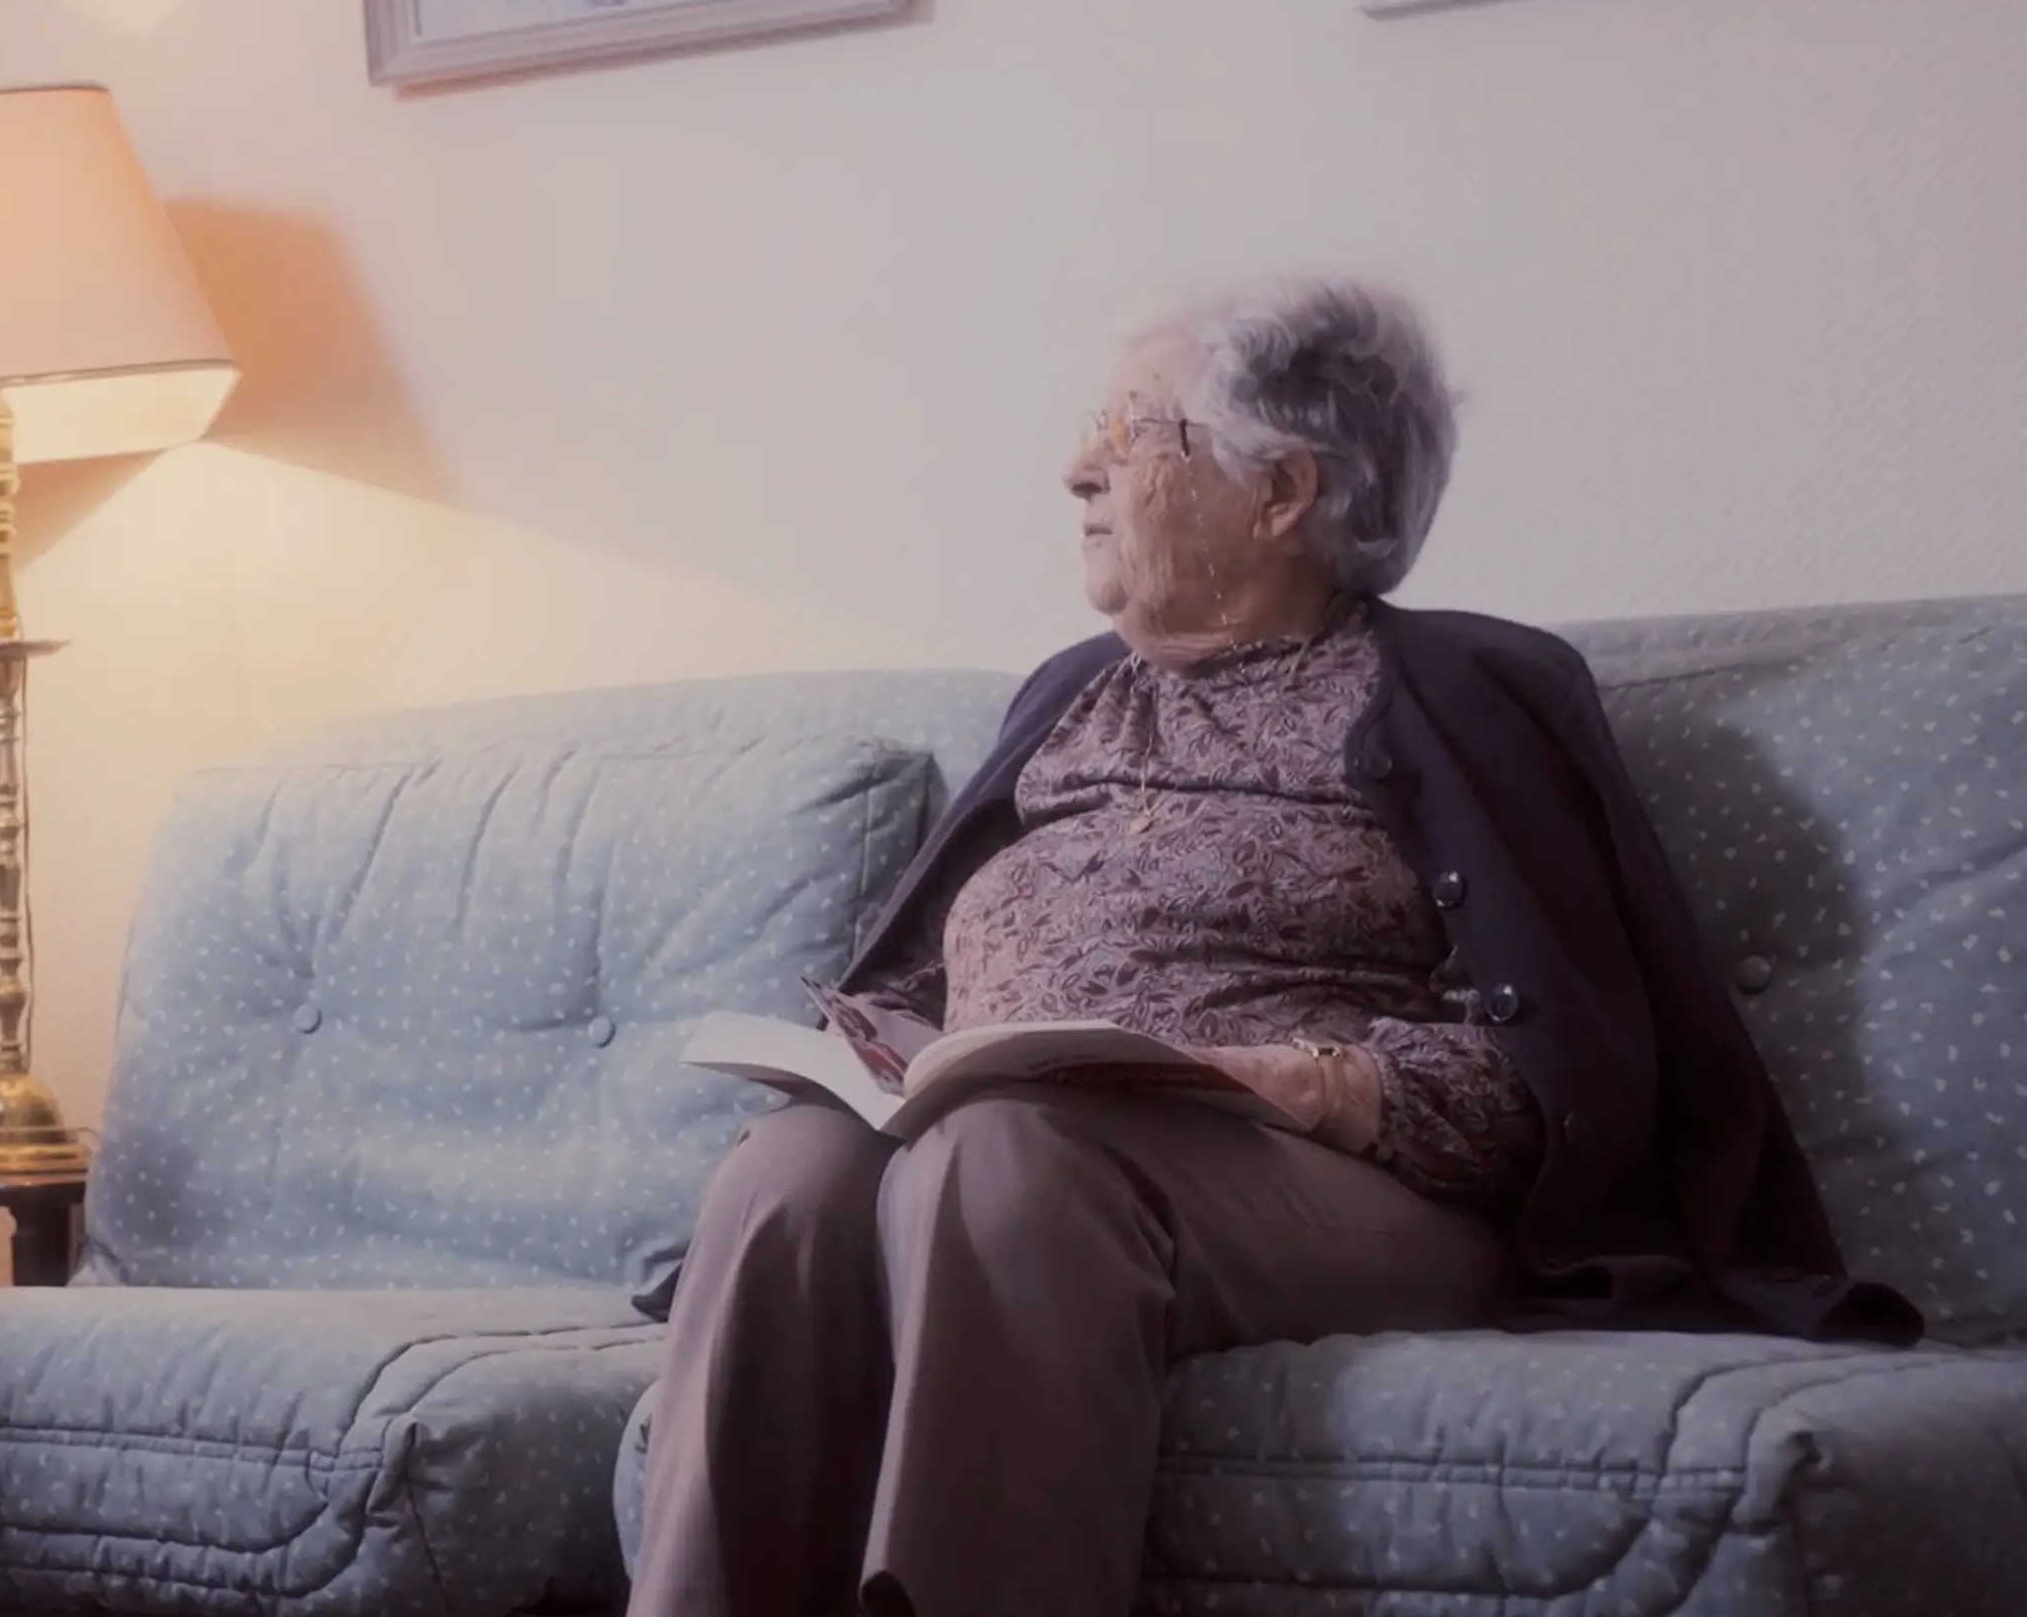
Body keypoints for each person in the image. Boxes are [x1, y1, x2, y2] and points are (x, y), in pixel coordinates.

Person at [623, 281, 1913, 1617]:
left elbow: (1563, 1073)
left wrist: (1298, 1081)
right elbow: (917, 968)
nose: (1077, 470)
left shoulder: (1463, 692)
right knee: (792, 1168)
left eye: (1129, 432)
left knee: (1007, 1156)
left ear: (1283, 490)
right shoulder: (1067, 694)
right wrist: (884, 1046)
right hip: (1021, 1144)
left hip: (1341, 1189)